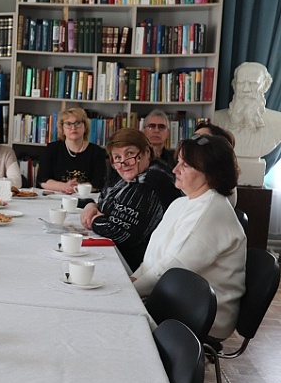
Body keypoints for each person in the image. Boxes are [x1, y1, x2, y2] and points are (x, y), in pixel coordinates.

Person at [131, 134, 246, 340]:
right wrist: (132, 280)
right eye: (178, 162)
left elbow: (171, 270)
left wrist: (127, 290)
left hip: (200, 315)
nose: (175, 170)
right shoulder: (182, 203)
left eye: (186, 165)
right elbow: (153, 259)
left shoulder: (211, 210)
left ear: (210, 173)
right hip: (173, 300)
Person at [80, 129, 182, 271]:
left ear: (147, 152)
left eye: (130, 154)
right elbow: (105, 203)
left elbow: (119, 232)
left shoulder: (152, 181)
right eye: (117, 157)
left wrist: (94, 220)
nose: (123, 163)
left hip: (138, 270)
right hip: (122, 258)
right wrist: (92, 205)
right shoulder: (131, 174)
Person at [213, 62, 281, 185]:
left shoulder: (278, 122)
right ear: (234, 85)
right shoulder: (216, 119)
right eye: (241, 83)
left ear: (264, 86)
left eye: (253, 84)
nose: (246, 89)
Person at [36, 107, 108, 193]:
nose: (73, 127)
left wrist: (78, 188)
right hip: (55, 196)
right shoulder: (51, 149)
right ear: (62, 129)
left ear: (85, 127)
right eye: (68, 124)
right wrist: (65, 187)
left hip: (85, 197)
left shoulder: (97, 152)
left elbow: (98, 183)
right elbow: (42, 180)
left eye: (77, 123)